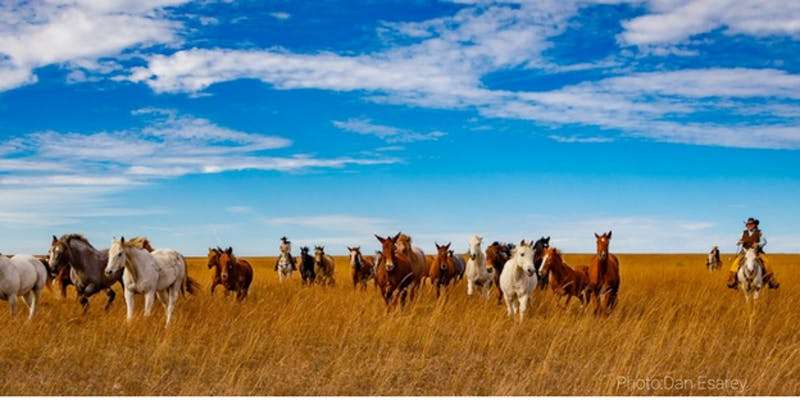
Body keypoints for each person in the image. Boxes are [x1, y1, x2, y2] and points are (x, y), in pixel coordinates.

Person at [726, 218, 779, 289]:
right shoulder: (743, 232)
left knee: (766, 262)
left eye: (751, 224)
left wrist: (758, 244)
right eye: (748, 224)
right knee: (735, 262)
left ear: (754, 225)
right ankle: (732, 280)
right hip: (745, 251)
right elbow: (738, 241)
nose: (749, 225)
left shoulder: (759, 232)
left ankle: (771, 280)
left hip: (756, 252)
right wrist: (739, 242)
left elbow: (764, 241)